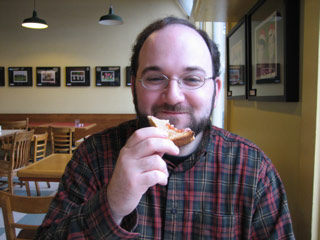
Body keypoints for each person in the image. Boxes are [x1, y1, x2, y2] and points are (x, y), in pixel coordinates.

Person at [36, 17, 295, 239]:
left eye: (192, 79)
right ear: (134, 86)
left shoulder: (253, 168)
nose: (173, 96)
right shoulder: (93, 156)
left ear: (215, 90)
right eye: (154, 78)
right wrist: (112, 204)